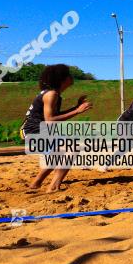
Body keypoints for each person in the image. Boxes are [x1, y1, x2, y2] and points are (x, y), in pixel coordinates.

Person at [22, 64, 93, 193]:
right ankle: (54, 186)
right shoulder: (52, 94)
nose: (72, 77)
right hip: (35, 131)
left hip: (35, 129)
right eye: (69, 75)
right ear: (62, 79)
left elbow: (53, 116)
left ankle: (36, 183)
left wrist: (76, 107)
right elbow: (50, 120)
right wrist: (77, 111)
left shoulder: (52, 93)